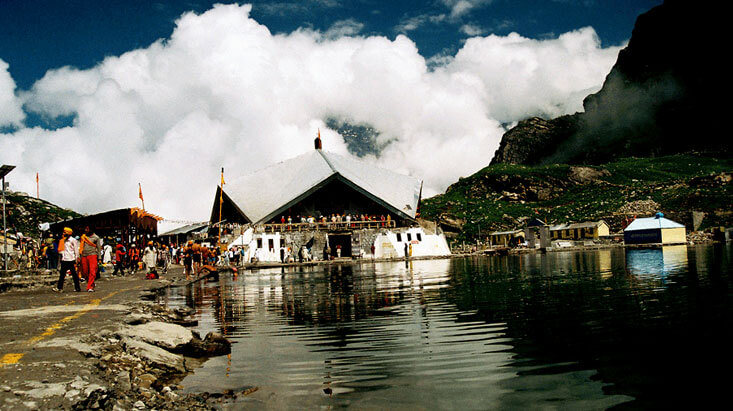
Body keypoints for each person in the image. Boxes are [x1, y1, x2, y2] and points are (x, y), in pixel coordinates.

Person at [53, 227, 80, 292]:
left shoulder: (73, 240)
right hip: (65, 259)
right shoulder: (64, 240)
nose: (63, 233)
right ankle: (59, 288)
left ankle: (77, 287)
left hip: (71, 259)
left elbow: (76, 250)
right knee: (62, 274)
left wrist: (77, 258)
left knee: (74, 274)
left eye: (65, 232)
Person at [79, 226, 102, 292]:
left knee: (92, 271)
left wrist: (99, 258)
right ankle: (92, 283)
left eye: (87, 229)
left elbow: (99, 249)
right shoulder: (83, 237)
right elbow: (81, 247)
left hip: (93, 255)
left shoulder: (96, 237)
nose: (86, 230)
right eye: (85, 229)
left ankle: (90, 287)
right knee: (85, 272)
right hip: (84, 256)